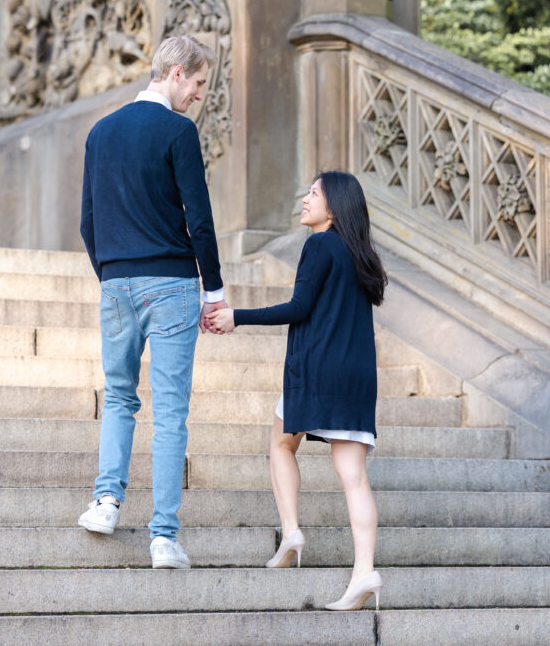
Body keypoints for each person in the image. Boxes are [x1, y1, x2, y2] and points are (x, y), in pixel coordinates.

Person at [78, 35, 229, 570]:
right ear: (177, 72)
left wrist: (111, 273)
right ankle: (163, 537)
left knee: (119, 397)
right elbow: (200, 220)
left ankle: (106, 502)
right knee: (170, 415)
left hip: (117, 281)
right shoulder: (178, 132)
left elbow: (87, 222)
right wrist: (214, 290)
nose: (199, 95)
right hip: (171, 284)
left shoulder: (101, 132)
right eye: (200, 82)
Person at [208, 170, 388, 611]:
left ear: (335, 206)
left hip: (317, 370)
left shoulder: (320, 244)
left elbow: (299, 308)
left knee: (279, 443)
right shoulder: (359, 253)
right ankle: (364, 572)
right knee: (355, 478)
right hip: (357, 376)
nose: (305, 199)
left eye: (314, 193)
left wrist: (237, 316)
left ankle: (291, 530)